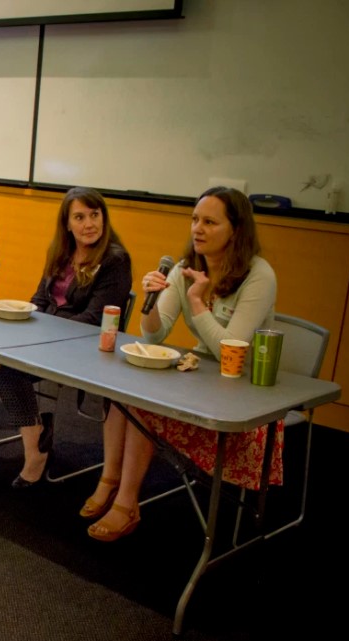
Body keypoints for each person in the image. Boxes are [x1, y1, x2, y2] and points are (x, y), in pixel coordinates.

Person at [83, 186, 280, 541]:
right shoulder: (186, 267)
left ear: (235, 230)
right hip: (202, 378)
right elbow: (154, 337)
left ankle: (127, 503)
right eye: (194, 220)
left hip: (247, 396)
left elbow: (229, 353)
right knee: (121, 393)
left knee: (141, 404)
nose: (197, 229)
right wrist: (152, 300)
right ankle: (109, 481)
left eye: (209, 222)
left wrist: (197, 301)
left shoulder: (258, 275)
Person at [0, 187, 132, 489]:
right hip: (45, 339)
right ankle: (36, 424)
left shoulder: (115, 260)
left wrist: (42, 333)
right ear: (67, 224)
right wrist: (31, 325)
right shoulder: (60, 252)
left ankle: (34, 451)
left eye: (95, 215)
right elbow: (39, 299)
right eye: (79, 217)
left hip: (81, 346)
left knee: (7, 368)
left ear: (104, 218)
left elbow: (94, 319)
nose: (89, 224)